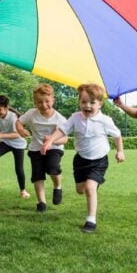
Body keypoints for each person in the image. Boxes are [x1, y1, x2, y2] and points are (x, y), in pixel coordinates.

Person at [41, 84, 125, 233]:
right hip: (80, 160)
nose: (87, 106)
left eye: (92, 102)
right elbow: (62, 130)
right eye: (84, 102)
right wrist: (50, 141)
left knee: (90, 188)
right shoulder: (75, 117)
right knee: (81, 190)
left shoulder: (105, 120)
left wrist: (120, 152)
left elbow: (117, 136)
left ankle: (91, 221)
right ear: (79, 102)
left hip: (99, 161)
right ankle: (92, 185)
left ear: (100, 104)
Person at [16, 83, 67, 213]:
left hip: (54, 148)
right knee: (37, 175)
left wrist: (52, 140)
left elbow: (65, 139)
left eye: (47, 101)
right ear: (34, 102)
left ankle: (58, 186)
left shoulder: (59, 118)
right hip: (35, 149)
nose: (43, 105)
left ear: (53, 100)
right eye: (39, 102)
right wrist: (21, 130)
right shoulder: (31, 114)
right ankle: (41, 203)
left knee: (52, 168)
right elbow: (18, 122)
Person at [0, 95, 30, 198]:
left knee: (18, 168)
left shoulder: (13, 118)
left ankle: (23, 191)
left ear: (6, 108)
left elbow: (18, 134)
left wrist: (0, 135)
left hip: (18, 144)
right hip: (6, 142)